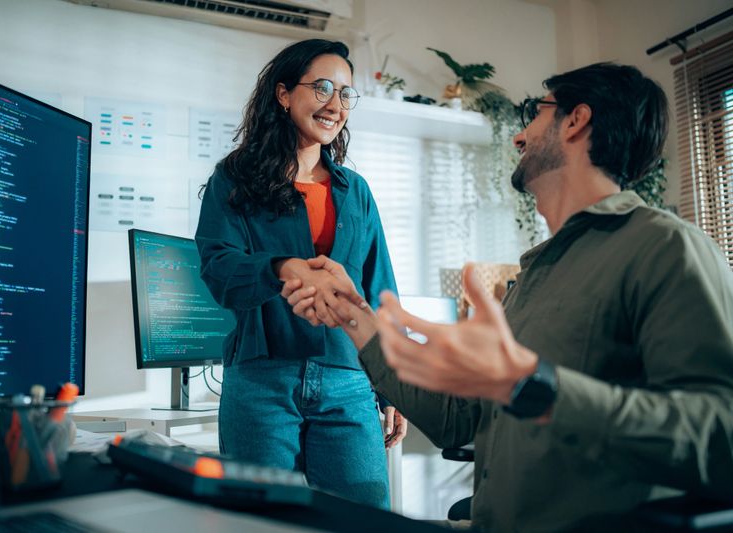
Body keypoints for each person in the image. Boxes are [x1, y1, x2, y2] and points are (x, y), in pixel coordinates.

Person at [281, 62, 733, 531]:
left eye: (535, 115)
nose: (518, 138)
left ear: (576, 121)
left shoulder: (663, 248)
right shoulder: (537, 274)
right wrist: (354, 316)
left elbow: (720, 437)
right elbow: (458, 420)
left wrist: (530, 384)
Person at [195, 39, 407, 510]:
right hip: (262, 379)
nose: (336, 105)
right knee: (264, 521)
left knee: (365, 519)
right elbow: (219, 269)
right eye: (324, 88)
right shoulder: (235, 179)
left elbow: (381, 289)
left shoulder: (357, 193)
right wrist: (280, 267)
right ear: (284, 93)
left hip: (348, 382)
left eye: (346, 94)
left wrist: (394, 384)